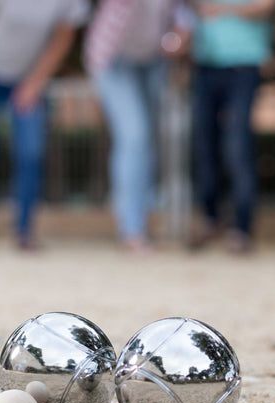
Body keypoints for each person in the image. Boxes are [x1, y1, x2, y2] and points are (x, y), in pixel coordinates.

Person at [85, 0, 191, 254]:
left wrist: (181, 34)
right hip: (113, 60)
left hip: (153, 61)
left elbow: (182, 14)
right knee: (134, 137)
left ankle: (141, 221)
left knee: (148, 144)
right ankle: (132, 230)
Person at [0, 0, 88, 250]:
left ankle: (23, 231)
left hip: (28, 77)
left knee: (32, 152)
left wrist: (35, 82)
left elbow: (62, 40)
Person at [191, 0, 275, 253]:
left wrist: (224, 11)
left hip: (245, 62)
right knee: (203, 143)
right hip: (206, 63)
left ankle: (242, 226)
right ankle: (210, 218)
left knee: (238, 143)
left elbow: (265, 7)